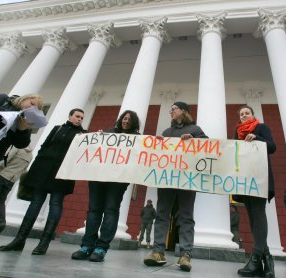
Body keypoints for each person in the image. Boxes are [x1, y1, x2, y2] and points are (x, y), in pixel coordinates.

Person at [0, 108, 86, 255]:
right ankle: (19, 240)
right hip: (43, 170)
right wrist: (36, 166)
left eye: (82, 118)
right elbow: (44, 146)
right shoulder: (57, 129)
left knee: (56, 204)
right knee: (35, 203)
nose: (79, 119)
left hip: (62, 174)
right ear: (70, 116)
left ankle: (44, 243)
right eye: (77, 116)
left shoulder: (83, 134)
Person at [143, 101, 208, 272]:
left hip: (187, 179)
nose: (170, 111)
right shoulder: (167, 132)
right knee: (162, 214)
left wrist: (194, 141)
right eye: (170, 109)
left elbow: (208, 147)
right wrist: (158, 144)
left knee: (186, 215)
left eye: (174, 109)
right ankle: (158, 252)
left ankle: (185, 254)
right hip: (167, 178)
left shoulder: (195, 129)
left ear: (183, 111)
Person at [71, 110, 140, 262]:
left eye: (129, 119)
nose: (126, 121)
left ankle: (101, 248)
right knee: (93, 210)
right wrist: (98, 137)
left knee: (111, 210)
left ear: (134, 122)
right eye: (124, 118)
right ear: (121, 119)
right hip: (98, 177)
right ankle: (86, 246)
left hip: (118, 181)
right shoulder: (109, 133)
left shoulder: (137, 139)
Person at [234, 105, 276, 278]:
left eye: (247, 113)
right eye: (241, 114)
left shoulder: (261, 127)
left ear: (253, 114)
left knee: (258, 213)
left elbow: (272, 147)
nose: (244, 116)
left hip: (259, 177)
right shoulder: (237, 132)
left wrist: (257, 138)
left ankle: (256, 257)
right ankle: (267, 262)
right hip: (244, 177)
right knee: (252, 215)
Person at [0, 93, 43, 183]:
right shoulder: (4, 99)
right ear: (25, 98)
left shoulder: (25, 120)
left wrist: (22, 130)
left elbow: (21, 144)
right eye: (32, 103)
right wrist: (7, 115)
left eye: (35, 109)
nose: (31, 108)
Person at [0, 146, 32, 238]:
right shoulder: (30, 155)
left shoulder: (17, 148)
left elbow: (6, 159)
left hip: (2, 175)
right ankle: (1, 222)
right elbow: (24, 170)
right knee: (1, 201)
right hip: (11, 181)